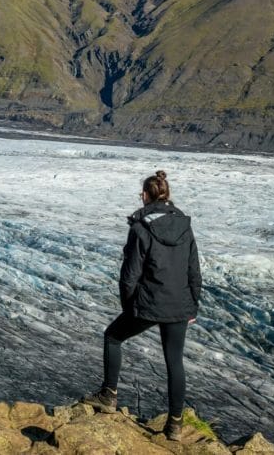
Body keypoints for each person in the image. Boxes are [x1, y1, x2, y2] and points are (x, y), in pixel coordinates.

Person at [82, 170, 202, 441]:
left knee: (113, 337)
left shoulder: (140, 228)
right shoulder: (185, 226)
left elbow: (130, 276)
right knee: (175, 362)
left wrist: (129, 307)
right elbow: (194, 270)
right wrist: (191, 305)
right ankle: (174, 426)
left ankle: (108, 396)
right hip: (179, 305)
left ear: (146, 196)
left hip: (149, 304)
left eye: (142, 193)